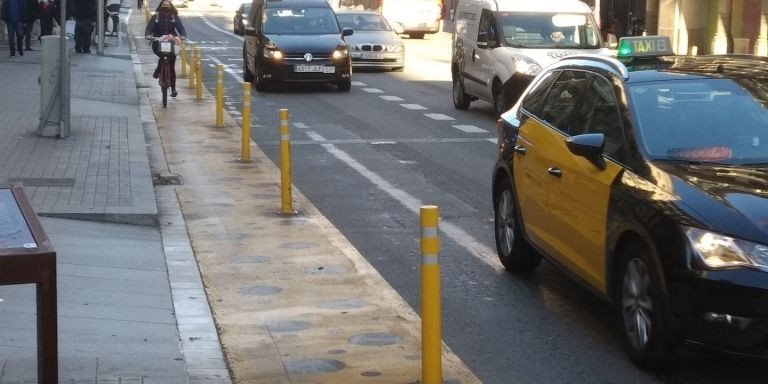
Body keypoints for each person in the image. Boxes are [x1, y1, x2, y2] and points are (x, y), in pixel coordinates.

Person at [145, 0, 186, 97]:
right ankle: (158, 69)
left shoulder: (174, 17)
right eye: (164, 5)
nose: (166, 6)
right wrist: (148, 34)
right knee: (162, 55)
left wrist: (183, 35)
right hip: (158, 42)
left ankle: (173, 89)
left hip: (173, 43)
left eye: (168, 5)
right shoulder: (155, 17)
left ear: (171, 7)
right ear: (160, 6)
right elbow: (149, 27)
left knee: (172, 67)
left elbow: (181, 28)